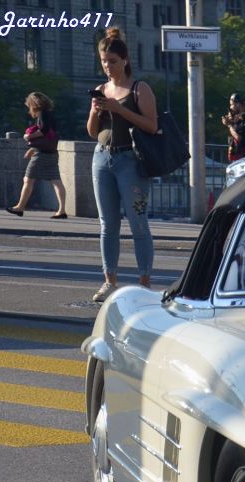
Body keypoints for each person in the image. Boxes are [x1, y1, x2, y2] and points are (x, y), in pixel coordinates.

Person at [86, 26, 158, 303]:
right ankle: (109, 281)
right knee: (108, 224)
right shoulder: (101, 90)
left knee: (138, 223)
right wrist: (95, 112)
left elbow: (151, 126)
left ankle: (144, 282)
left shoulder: (140, 89)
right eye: (104, 61)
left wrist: (120, 109)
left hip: (131, 161)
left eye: (112, 61)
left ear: (125, 60)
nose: (107, 66)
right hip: (102, 158)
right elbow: (93, 132)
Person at [5, 92, 67, 219]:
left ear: (34, 104)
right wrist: (33, 149)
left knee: (28, 179)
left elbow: (43, 131)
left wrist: (29, 136)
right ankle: (62, 210)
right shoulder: (49, 114)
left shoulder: (43, 114)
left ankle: (20, 207)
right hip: (51, 153)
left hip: (42, 155)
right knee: (56, 181)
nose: (29, 108)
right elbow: (50, 135)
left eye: (29, 105)